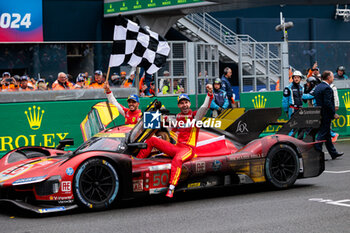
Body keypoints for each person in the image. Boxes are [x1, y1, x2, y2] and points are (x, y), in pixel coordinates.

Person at [137, 84, 214, 198]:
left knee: (177, 159)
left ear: (190, 104)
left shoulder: (195, 116)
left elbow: (205, 107)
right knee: (152, 140)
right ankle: (137, 161)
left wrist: (210, 94)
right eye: (182, 103)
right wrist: (143, 120)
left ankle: (171, 188)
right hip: (177, 147)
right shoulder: (177, 117)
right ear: (178, 105)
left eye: (186, 102)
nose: (184, 105)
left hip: (188, 149)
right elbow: (168, 126)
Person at [314, 71, 343, 160]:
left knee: (326, 135)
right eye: (332, 76)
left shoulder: (318, 87)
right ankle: (317, 154)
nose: (333, 78)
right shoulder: (327, 88)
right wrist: (333, 114)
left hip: (320, 113)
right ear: (328, 78)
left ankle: (333, 153)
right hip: (325, 115)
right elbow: (327, 103)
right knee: (322, 134)